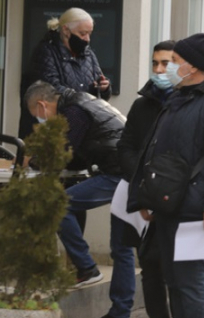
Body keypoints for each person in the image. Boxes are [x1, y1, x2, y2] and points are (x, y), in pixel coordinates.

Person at [130, 33, 204, 318]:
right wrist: (146, 195)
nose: (168, 67)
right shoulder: (178, 96)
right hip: (168, 203)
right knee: (174, 282)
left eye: (175, 61)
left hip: (195, 209)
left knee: (191, 285)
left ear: (191, 66)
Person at [25, 80, 134, 318]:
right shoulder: (83, 101)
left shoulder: (74, 111)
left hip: (117, 173)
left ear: (42, 105)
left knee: (58, 204)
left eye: (38, 116)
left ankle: (86, 267)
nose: (41, 121)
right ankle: (120, 312)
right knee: (122, 248)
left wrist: (31, 162)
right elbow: (77, 152)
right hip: (128, 171)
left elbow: (63, 151)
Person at [117, 40, 175, 318]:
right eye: (155, 63)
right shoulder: (142, 105)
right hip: (142, 199)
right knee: (149, 267)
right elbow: (126, 146)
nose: (158, 69)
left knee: (178, 274)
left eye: (165, 63)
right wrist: (140, 180)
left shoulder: (189, 103)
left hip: (173, 199)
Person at [21, 8, 111, 137]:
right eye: (82, 33)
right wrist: (83, 99)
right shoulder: (46, 52)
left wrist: (104, 88)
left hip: (79, 132)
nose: (87, 39)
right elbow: (49, 91)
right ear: (65, 30)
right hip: (49, 133)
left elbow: (99, 92)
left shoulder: (88, 54)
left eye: (89, 34)